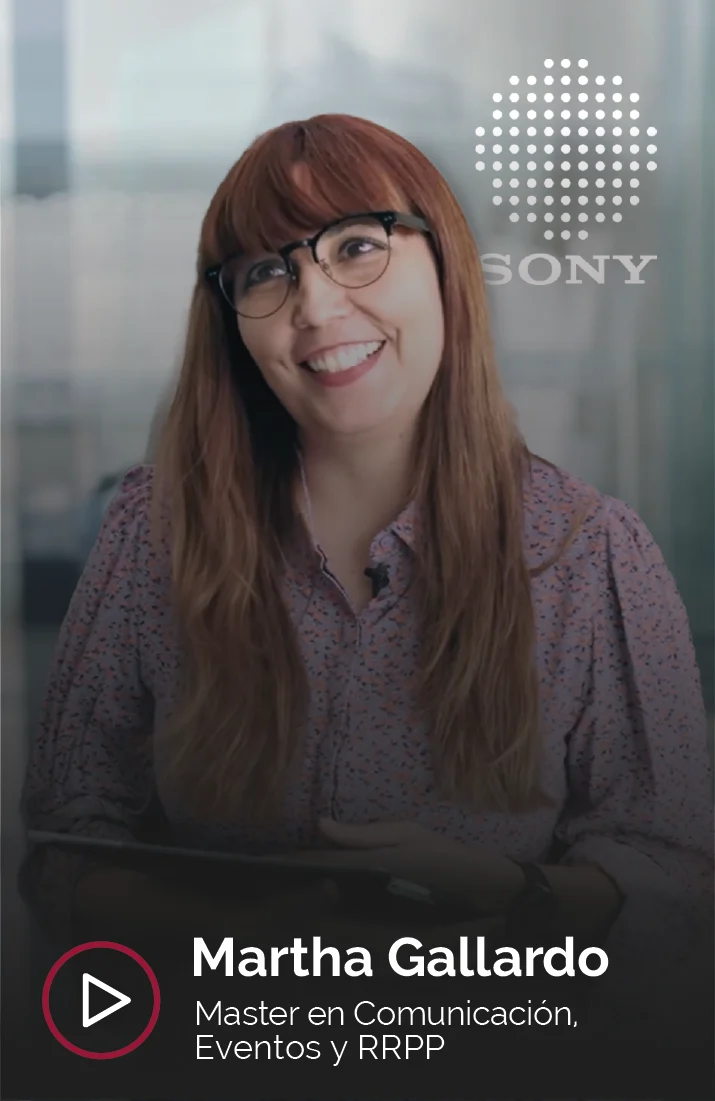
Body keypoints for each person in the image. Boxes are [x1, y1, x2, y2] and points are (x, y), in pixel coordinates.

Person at [20, 116, 711, 1018]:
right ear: (231, 319)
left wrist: (505, 893)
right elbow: (61, 845)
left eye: (355, 246)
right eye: (267, 271)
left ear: (444, 262)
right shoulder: (152, 531)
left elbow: (671, 880)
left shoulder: (590, 551)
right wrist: (225, 936)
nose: (314, 306)